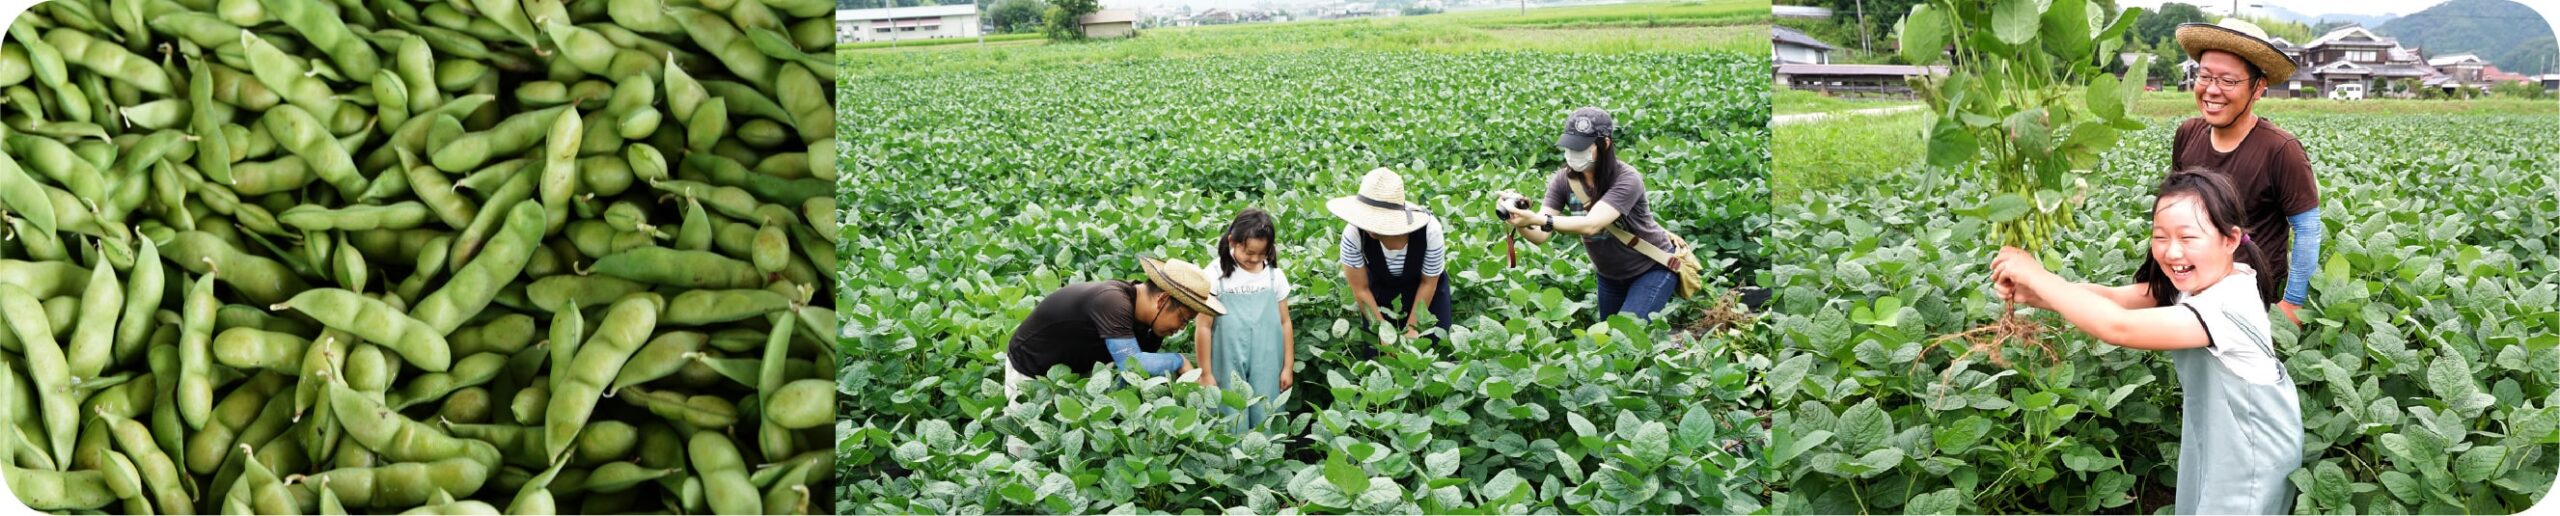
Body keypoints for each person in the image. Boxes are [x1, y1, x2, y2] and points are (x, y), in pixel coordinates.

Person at [1989, 169, 2303, 515]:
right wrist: (2036, 294)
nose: (2171, 251)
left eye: (2187, 237)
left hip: (2252, 450)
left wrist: (2038, 274)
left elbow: (2118, 326)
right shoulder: (2210, 277)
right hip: (2227, 431)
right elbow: (2112, 298)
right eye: (2161, 237)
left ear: (2230, 239)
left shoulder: (2226, 305)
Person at [2173, 18, 2325, 325]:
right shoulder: (2188, 134)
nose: (2212, 90)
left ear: (2258, 89)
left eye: (2228, 81)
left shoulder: (2280, 149)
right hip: (2191, 291)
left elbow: (2308, 230)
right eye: (2204, 77)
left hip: (2248, 302)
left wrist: (2293, 303)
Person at [1499, 106, 1687, 321]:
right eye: (1570, 146)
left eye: (1580, 148)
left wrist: (1536, 219)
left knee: (1627, 333)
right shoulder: (1563, 180)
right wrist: (1520, 219)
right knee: (1612, 340)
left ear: (1604, 144)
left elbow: (1592, 225)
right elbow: (1540, 235)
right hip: (1609, 275)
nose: (1572, 153)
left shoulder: (1626, 179)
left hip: (1652, 267)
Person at [1002, 254, 1225, 404]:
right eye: (1183, 319)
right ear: (1162, 299)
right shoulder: (1112, 301)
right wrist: (1179, 360)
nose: (1180, 328)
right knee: (1024, 454)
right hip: (1029, 371)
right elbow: (1131, 365)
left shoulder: (1150, 326)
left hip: (1073, 373)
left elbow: (1129, 375)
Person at [1192, 208, 1296, 431]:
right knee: (1230, 414)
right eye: (1249, 252)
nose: (1255, 259)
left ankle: (1265, 463)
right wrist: (1205, 372)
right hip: (1226, 358)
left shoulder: (1274, 276)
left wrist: (1288, 366)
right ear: (1232, 241)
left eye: (1262, 253)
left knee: (1266, 413)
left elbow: (1285, 322)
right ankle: (1232, 465)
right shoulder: (1213, 274)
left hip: (1267, 360)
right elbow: (1203, 326)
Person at [1329, 167, 1451, 356]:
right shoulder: (1353, 234)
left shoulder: (1429, 230)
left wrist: (1412, 328)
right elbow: (1360, 289)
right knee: (1379, 356)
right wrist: (1382, 331)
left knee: (1431, 351)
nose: (1369, 226)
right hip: (1379, 294)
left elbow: (1429, 282)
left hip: (1426, 292)